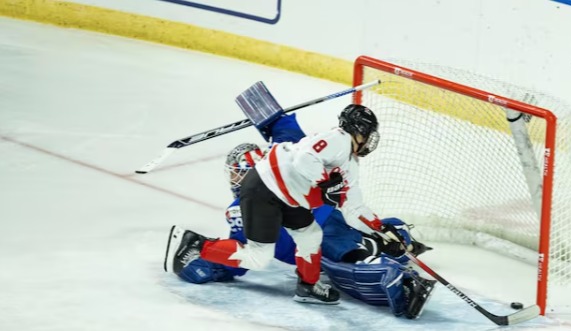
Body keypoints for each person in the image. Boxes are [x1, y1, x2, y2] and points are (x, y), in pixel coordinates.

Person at [165, 108, 436, 317]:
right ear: (358, 131)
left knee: (310, 236)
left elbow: (354, 209)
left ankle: (307, 287)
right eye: (368, 134)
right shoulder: (336, 140)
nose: (369, 141)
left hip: (291, 201)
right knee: (259, 257)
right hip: (265, 188)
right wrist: (324, 182)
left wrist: (379, 228)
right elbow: (304, 156)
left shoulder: (350, 163)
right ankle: (196, 245)